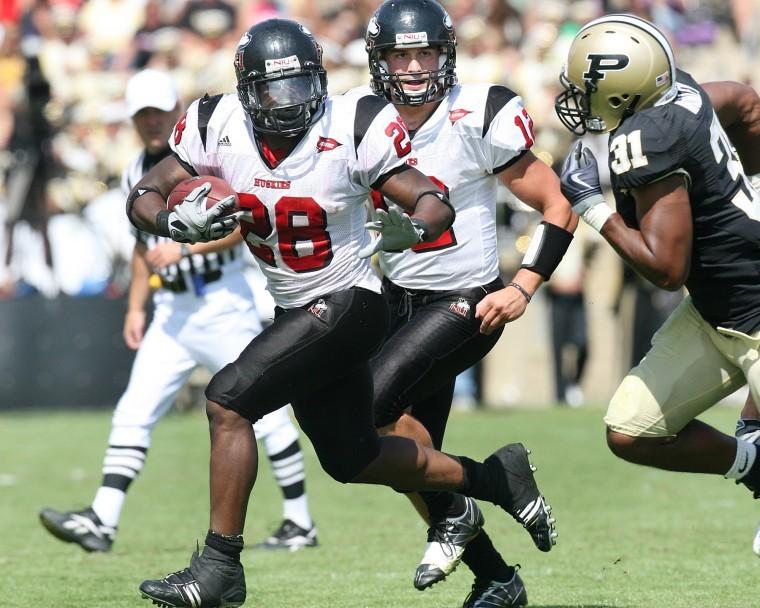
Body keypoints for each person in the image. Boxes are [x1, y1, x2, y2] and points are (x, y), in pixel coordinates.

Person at [128, 19, 557, 608]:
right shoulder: (214, 122)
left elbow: (431, 199)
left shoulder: (353, 121)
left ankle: (219, 567)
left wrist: (419, 224)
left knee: (228, 401)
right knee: (353, 458)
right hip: (296, 309)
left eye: (302, 86)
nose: (291, 102)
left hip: (352, 305)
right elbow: (145, 192)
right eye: (275, 90)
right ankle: (493, 480)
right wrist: (170, 221)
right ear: (248, 90)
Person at [38, 69, 317, 554]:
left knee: (265, 410)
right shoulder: (134, 172)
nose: (151, 122)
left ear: (176, 110)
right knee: (134, 410)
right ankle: (102, 519)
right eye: (141, 114)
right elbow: (143, 247)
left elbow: (243, 225)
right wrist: (135, 307)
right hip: (170, 307)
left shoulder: (208, 158)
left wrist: (188, 250)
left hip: (221, 301)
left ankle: (299, 520)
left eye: (158, 112)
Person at [362, 1, 573, 606]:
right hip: (399, 299)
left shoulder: (478, 112)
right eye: (401, 53)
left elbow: (556, 206)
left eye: (425, 51)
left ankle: (490, 488)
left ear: (445, 51)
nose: (414, 65)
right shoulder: (363, 117)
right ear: (380, 59)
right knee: (409, 462)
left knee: (371, 405)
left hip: (466, 299)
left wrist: (523, 286)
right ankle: (497, 577)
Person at [555, 13, 760, 560]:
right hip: (718, 311)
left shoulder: (647, 134)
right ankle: (757, 466)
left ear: (623, 93)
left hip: (754, 310)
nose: (577, 97)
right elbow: (745, 102)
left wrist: (591, 208)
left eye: (587, 88)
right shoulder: (682, 89)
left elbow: (666, 268)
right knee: (632, 430)